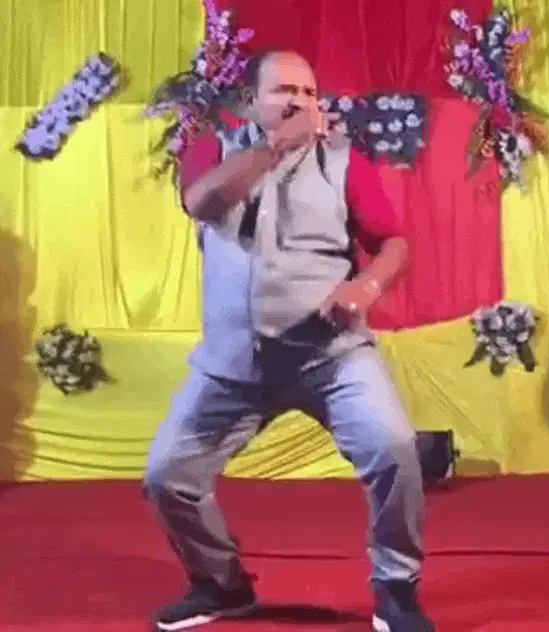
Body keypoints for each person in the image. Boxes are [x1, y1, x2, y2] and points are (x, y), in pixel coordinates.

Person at [144, 49, 435, 632]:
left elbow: (394, 242)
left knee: (394, 449)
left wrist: (366, 286)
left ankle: (396, 589)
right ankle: (220, 583)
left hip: (331, 356)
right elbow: (201, 203)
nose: (299, 102)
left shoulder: (344, 161)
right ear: (251, 101)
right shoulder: (212, 149)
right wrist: (274, 148)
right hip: (234, 365)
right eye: (283, 91)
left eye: (308, 92)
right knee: (168, 475)